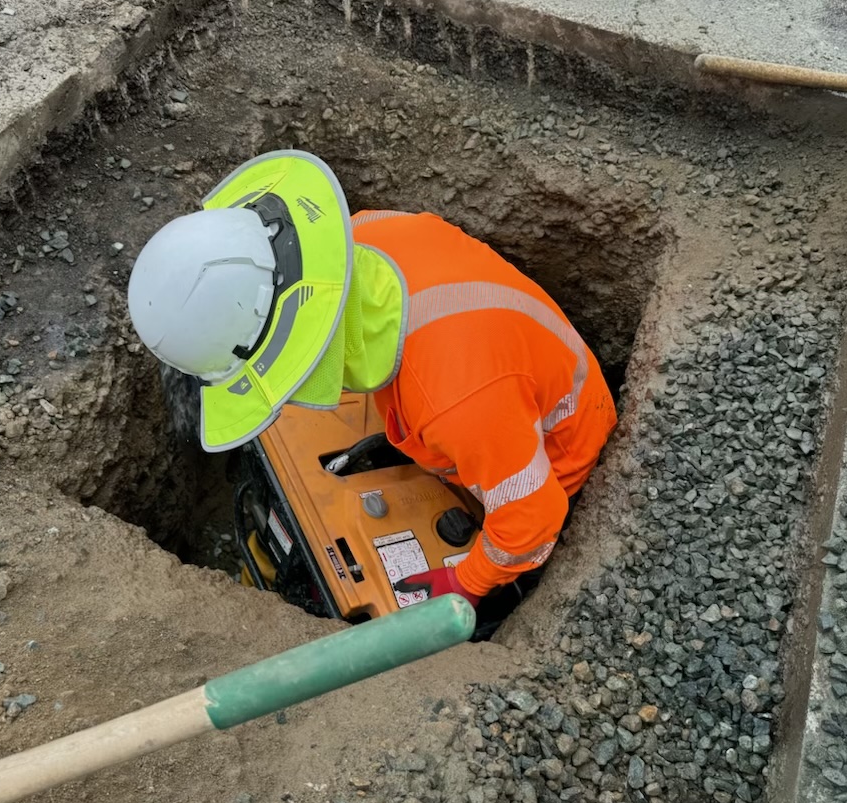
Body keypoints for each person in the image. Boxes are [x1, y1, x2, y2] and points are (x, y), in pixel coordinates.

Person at [126, 150, 616, 608]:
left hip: (551, 459)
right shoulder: (366, 233)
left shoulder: (458, 401)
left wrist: (466, 582)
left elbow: (532, 520)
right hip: (488, 395)